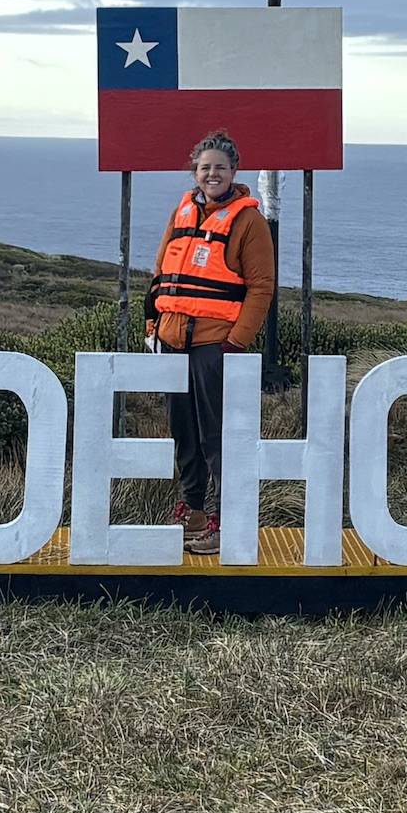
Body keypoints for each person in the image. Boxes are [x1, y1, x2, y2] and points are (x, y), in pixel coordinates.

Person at [145, 130, 277, 556]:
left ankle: (227, 522)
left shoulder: (249, 221)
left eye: (220, 167)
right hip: (171, 340)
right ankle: (194, 511)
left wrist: (236, 342)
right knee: (183, 432)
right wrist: (153, 323)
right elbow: (161, 269)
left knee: (216, 436)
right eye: (205, 168)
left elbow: (262, 286)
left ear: (234, 171)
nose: (212, 174)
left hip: (214, 346)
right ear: (195, 172)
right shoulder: (182, 211)